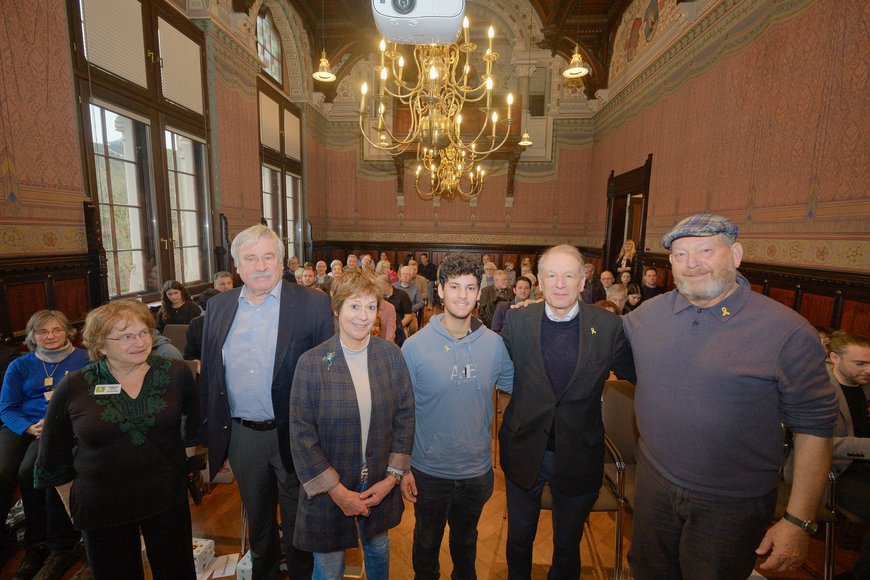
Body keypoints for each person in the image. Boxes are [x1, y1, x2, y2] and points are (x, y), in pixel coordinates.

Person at [623, 213, 838, 578]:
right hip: (653, 485)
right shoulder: (648, 314)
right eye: (680, 254)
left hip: (731, 503)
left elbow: (816, 429)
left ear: (735, 254)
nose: (692, 264)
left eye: (706, 250)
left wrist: (798, 521)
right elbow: (600, 340)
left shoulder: (786, 330)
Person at [200, 224, 333, 579]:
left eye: (268, 257)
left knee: (298, 522)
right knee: (258, 520)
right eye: (251, 258)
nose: (260, 266)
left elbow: (330, 373)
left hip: (297, 434)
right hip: (243, 436)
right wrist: (217, 441)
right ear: (237, 267)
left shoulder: (313, 303)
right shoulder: (218, 306)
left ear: (282, 262)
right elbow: (211, 376)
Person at [35, 300, 200, 579]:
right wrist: (73, 506)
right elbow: (53, 453)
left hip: (165, 498)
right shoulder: (75, 384)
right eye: (125, 336)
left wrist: (186, 467)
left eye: (143, 332)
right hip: (101, 504)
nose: (139, 342)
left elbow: (194, 422)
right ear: (99, 344)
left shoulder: (175, 372)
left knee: (177, 571)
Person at [499, 244, 636, 579]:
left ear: (582, 283)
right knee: (518, 541)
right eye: (551, 275)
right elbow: (491, 369)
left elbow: (641, 376)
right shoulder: (517, 322)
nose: (560, 283)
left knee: (566, 548)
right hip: (524, 450)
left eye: (569, 275)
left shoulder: (608, 327)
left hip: (579, 455)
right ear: (539, 283)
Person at [289, 270, 414, 580]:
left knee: (379, 547)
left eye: (370, 307)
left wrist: (391, 478)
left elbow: (405, 417)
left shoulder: (391, 356)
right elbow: (301, 434)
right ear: (337, 309)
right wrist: (338, 491)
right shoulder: (312, 362)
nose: (363, 316)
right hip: (333, 486)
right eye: (354, 306)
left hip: (378, 481)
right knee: (329, 566)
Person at [401, 254, 513, 580]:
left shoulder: (495, 346)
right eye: (454, 286)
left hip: (476, 472)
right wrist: (402, 467)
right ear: (440, 290)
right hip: (427, 470)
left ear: (480, 293)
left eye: (470, 287)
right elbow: (402, 412)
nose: (462, 295)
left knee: (466, 546)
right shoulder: (415, 346)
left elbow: (520, 389)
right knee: (425, 546)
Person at [0, 311, 87, 580]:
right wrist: (27, 427)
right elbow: (7, 407)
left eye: (56, 330)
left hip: (61, 427)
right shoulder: (20, 364)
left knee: (30, 472)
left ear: (67, 331)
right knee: (2, 471)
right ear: (32, 336)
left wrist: (51, 426)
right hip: (22, 424)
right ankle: (10, 540)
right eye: (43, 332)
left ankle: (41, 544)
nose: (50, 336)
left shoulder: (84, 359)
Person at [827, 331, 870, 580]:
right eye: (860, 363)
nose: (868, 369)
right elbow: (820, 446)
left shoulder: (864, 386)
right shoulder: (820, 391)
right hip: (834, 473)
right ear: (835, 358)